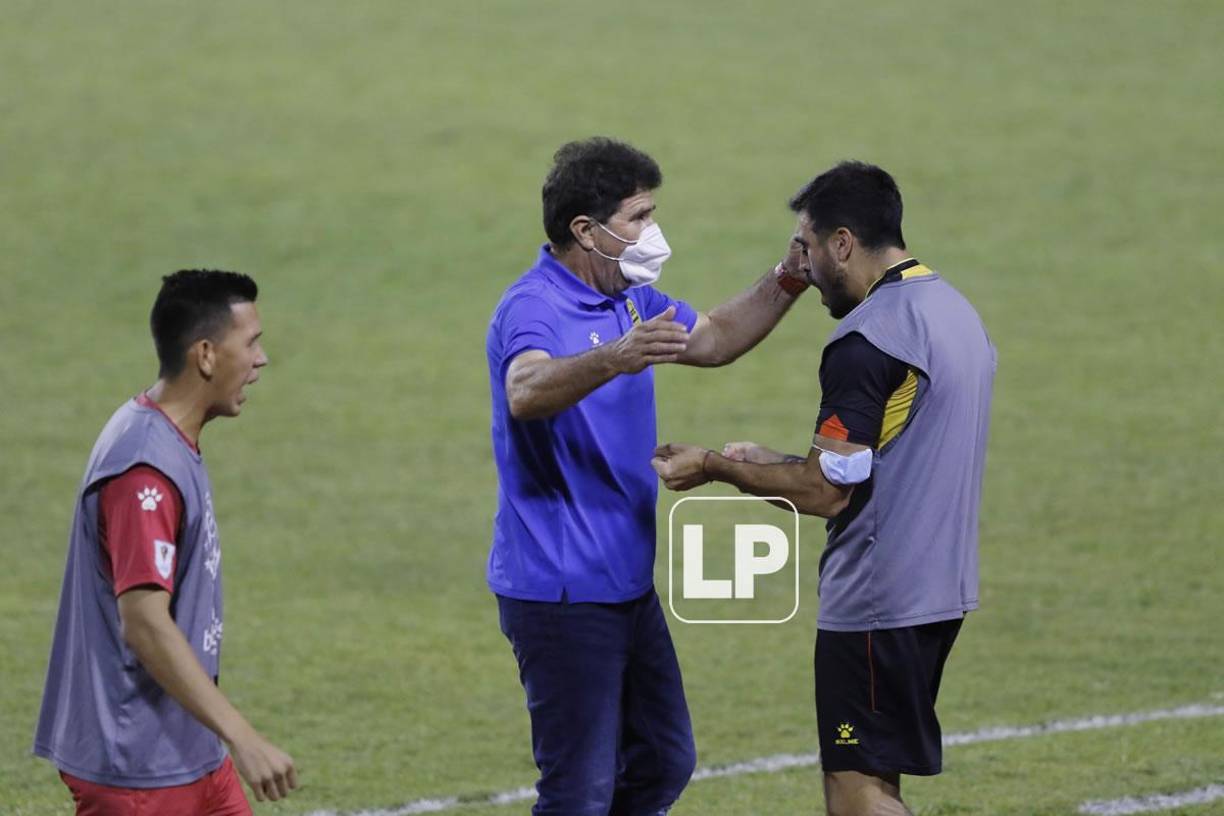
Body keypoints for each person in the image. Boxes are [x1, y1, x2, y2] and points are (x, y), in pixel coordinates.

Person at [652, 161, 996, 816]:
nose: (803, 268)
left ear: (842, 243)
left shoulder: (866, 340)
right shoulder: (953, 312)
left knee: (856, 792)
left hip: (877, 600)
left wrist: (715, 466)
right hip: (939, 590)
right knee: (875, 778)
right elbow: (875, 465)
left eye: (805, 248)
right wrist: (775, 462)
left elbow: (824, 493)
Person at [487, 136, 812, 815]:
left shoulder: (630, 297)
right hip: (562, 590)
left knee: (664, 759)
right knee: (578, 792)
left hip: (625, 583)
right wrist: (615, 356)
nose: (651, 232)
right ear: (587, 230)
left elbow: (713, 338)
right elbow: (524, 389)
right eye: (638, 217)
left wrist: (789, 276)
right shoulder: (534, 306)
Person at [34, 269, 296, 815]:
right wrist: (243, 736)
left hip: (188, 747)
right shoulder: (143, 473)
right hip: (139, 768)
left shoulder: (164, 435)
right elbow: (144, 622)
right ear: (206, 355)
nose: (261, 360)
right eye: (251, 343)